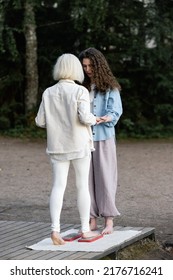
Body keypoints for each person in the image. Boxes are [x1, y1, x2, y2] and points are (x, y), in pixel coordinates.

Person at [35, 53, 100, 245]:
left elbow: (40, 121)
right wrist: (96, 118)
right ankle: (85, 229)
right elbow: (85, 118)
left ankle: (55, 230)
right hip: (79, 145)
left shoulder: (48, 92)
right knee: (82, 186)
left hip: (57, 146)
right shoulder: (80, 92)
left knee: (58, 186)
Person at [79, 47, 123, 235]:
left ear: (98, 66)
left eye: (90, 65)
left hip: (104, 138)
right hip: (84, 139)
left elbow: (115, 112)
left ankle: (109, 220)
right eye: (84, 66)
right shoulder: (82, 88)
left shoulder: (111, 88)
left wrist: (106, 118)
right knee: (86, 180)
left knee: (105, 178)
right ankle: (91, 219)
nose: (87, 69)